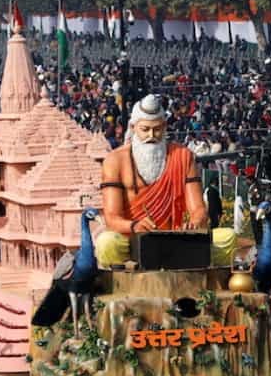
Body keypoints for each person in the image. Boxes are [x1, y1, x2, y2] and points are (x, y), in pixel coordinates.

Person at [95, 95, 234, 267]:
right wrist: (135, 226)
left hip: (173, 237)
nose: (151, 136)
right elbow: (112, 218)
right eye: (145, 129)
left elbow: (198, 208)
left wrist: (195, 223)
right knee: (106, 242)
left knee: (227, 237)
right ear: (133, 127)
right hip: (131, 239)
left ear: (165, 127)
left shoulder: (183, 156)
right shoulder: (115, 160)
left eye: (157, 129)